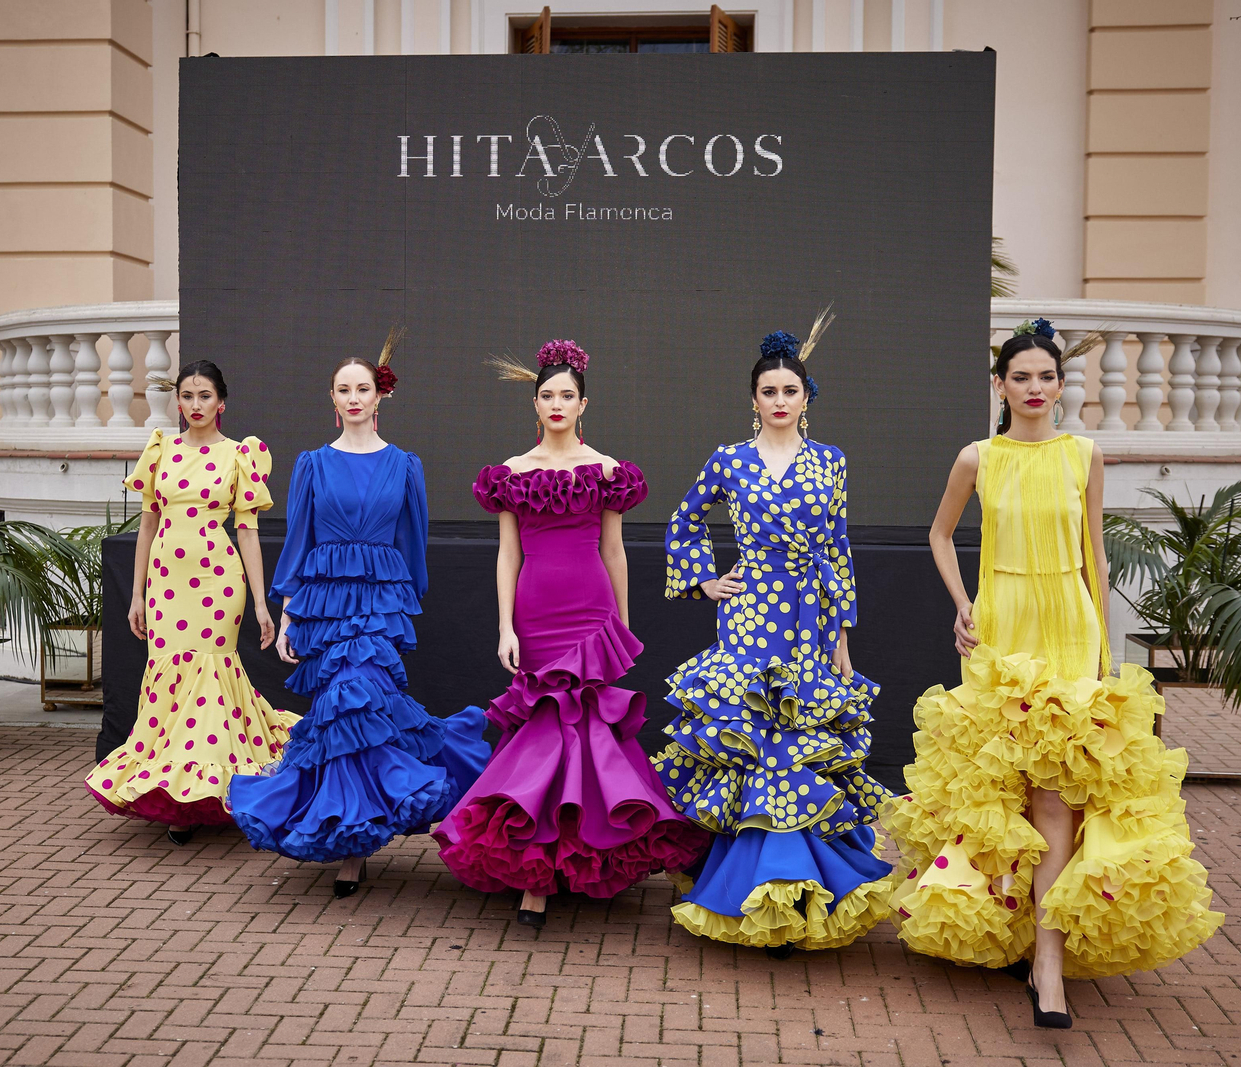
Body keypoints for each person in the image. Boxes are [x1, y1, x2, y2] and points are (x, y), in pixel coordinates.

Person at [881, 319, 1223, 1028]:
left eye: (1047, 376)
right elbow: (940, 535)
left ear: (1061, 385)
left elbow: (1095, 551)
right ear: (1000, 385)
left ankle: (1048, 963)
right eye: (1022, 376)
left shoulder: (1085, 454)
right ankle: (1012, 932)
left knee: (1058, 797)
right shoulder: (978, 457)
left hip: (1070, 623)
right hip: (1002, 625)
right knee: (1001, 788)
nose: (1035, 388)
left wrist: (1105, 648)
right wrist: (962, 603)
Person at [433, 340, 709, 927]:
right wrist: (505, 625)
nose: (556, 404)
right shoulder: (509, 473)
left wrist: (624, 624)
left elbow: (616, 551)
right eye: (546, 396)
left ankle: (575, 860)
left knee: (585, 732)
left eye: (567, 396)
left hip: (590, 610)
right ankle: (537, 870)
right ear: (535, 405)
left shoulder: (609, 471)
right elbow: (507, 556)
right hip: (535, 613)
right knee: (544, 730)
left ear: (584, 404)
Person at [653, 314, 895, 958]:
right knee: (754, 732)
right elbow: (683, 519)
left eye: (791, 390)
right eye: (769, 392)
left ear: (806, 397)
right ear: (753, 399)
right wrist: (705, 580)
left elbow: (838, 549)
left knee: (800, 735)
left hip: (809, 613)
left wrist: (842, 633)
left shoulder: (831, 462)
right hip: (750, 606)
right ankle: (748, 884)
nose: (781, 401)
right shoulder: (728, 460)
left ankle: (803, 885)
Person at [226, 330, 488, 897]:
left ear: (379, 396)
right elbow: (298, 541)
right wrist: (290, 613)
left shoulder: (404, 465)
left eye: (362, 388)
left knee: (359, 702)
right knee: (344, 714)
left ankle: (355, 840)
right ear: (333, 398)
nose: (352, 398)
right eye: (343, 389)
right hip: (324, 605)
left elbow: (413, 543)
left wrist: (405, 599)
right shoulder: (313, 465)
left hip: (379, 606)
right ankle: (353, 838)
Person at [86, 360, 300, 845]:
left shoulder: (239, 456)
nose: (195, 405)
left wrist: (263, 604)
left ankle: (212, 791)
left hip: (218, 581)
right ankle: (179, 793)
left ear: (220, 402)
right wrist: (137, 592)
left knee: (209, 675)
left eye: (204, 396)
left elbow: (247, 532)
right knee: (170, 678)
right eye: (188, 396)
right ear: (178, 401)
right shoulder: (160, 450)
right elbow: (146, 525)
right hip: (165, 581)